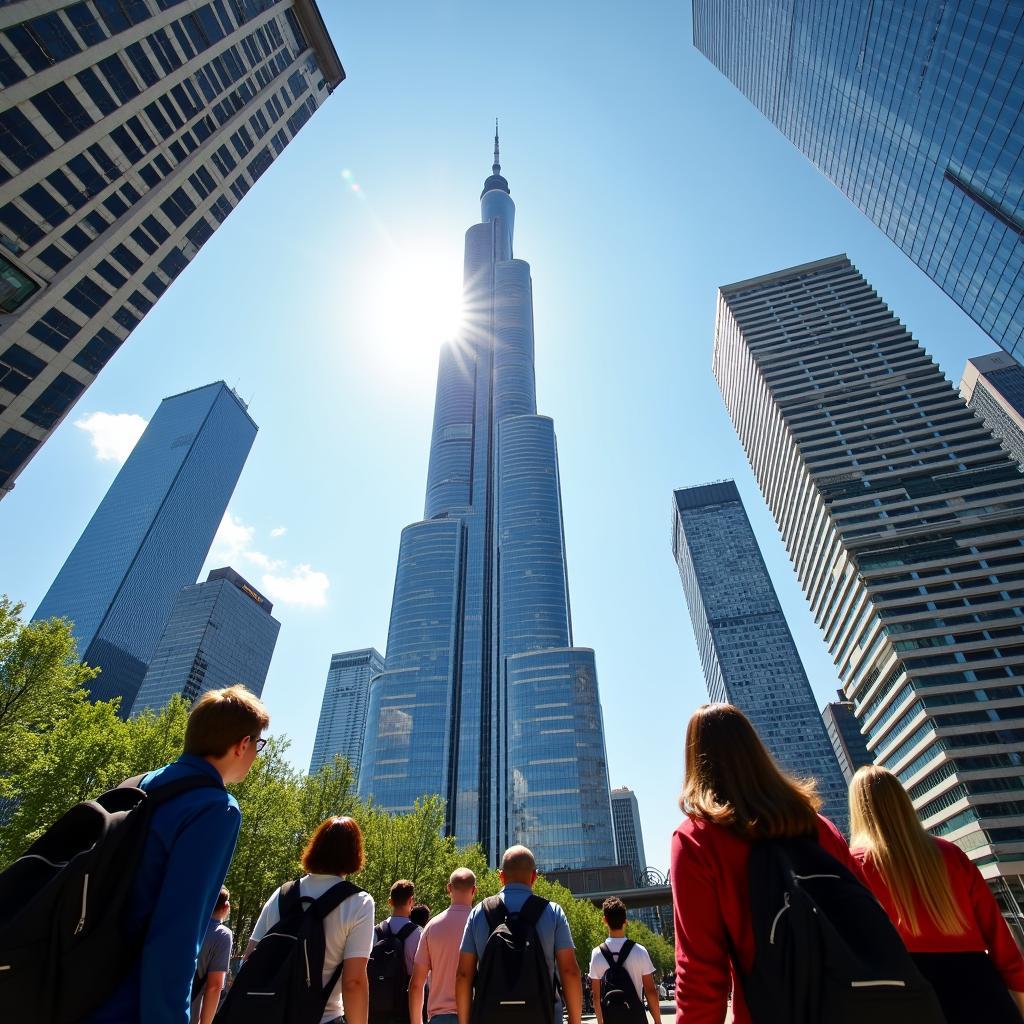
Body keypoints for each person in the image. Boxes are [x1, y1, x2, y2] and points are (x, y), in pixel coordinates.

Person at [86, 684, 269, 1024]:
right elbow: (177, 936)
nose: (256, 754)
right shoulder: (216, 808)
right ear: (243, 744)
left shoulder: (137, 784)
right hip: (127, 1004)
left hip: (73, 984)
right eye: (258, 745)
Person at [669, 703, 856, 1024]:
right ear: (756, 751)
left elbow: (700, 973)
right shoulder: (821, 826)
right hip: (858, 1005)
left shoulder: (696, 840)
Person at [849, 764, 1024, 1024]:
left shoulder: (854, 866)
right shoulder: (951, 854)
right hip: (980, 988)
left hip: (905, 992)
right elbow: (999, 937)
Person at [247, 816, 375, 1024]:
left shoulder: (281, 893)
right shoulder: (359, 902)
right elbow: (353, 982)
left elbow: (251, 956)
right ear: (355, 853)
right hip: (323, 1017)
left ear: (314, 847)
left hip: (268, 1014)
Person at [456, 844, 582, 1024]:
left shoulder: (478, 913)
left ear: (501, 877)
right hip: (543, 1017)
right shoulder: (553, 912)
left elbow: (463, 975)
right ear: (534, 877)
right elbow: (569, 971)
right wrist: (575, 1021)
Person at [409, 869, 476, 1024]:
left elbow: (416, 984)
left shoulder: (432, 927)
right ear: (474, 890)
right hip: (473, 1014)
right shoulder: (481, 925)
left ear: (449, 888)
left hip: (440, 1017)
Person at [588, 896, 662, 1024]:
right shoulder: (640, 951)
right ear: (625, 921)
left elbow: (596, 997)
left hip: (611, 1019)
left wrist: (601, 1021)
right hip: (636, 1018)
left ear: (604, 921)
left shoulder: (596, 954)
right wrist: (657, 1021)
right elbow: (650, 991)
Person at [371, 879, 422, 1022]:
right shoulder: (418, 934)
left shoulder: (374, 932)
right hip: (404, 1008)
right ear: (411, 901)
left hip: (377, 1006)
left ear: (390, 902)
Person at [190, 886, 232, 1024]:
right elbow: (214, 986)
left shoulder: (185, 925)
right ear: (226, 906)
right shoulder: (222, 935)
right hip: (186, 1015)